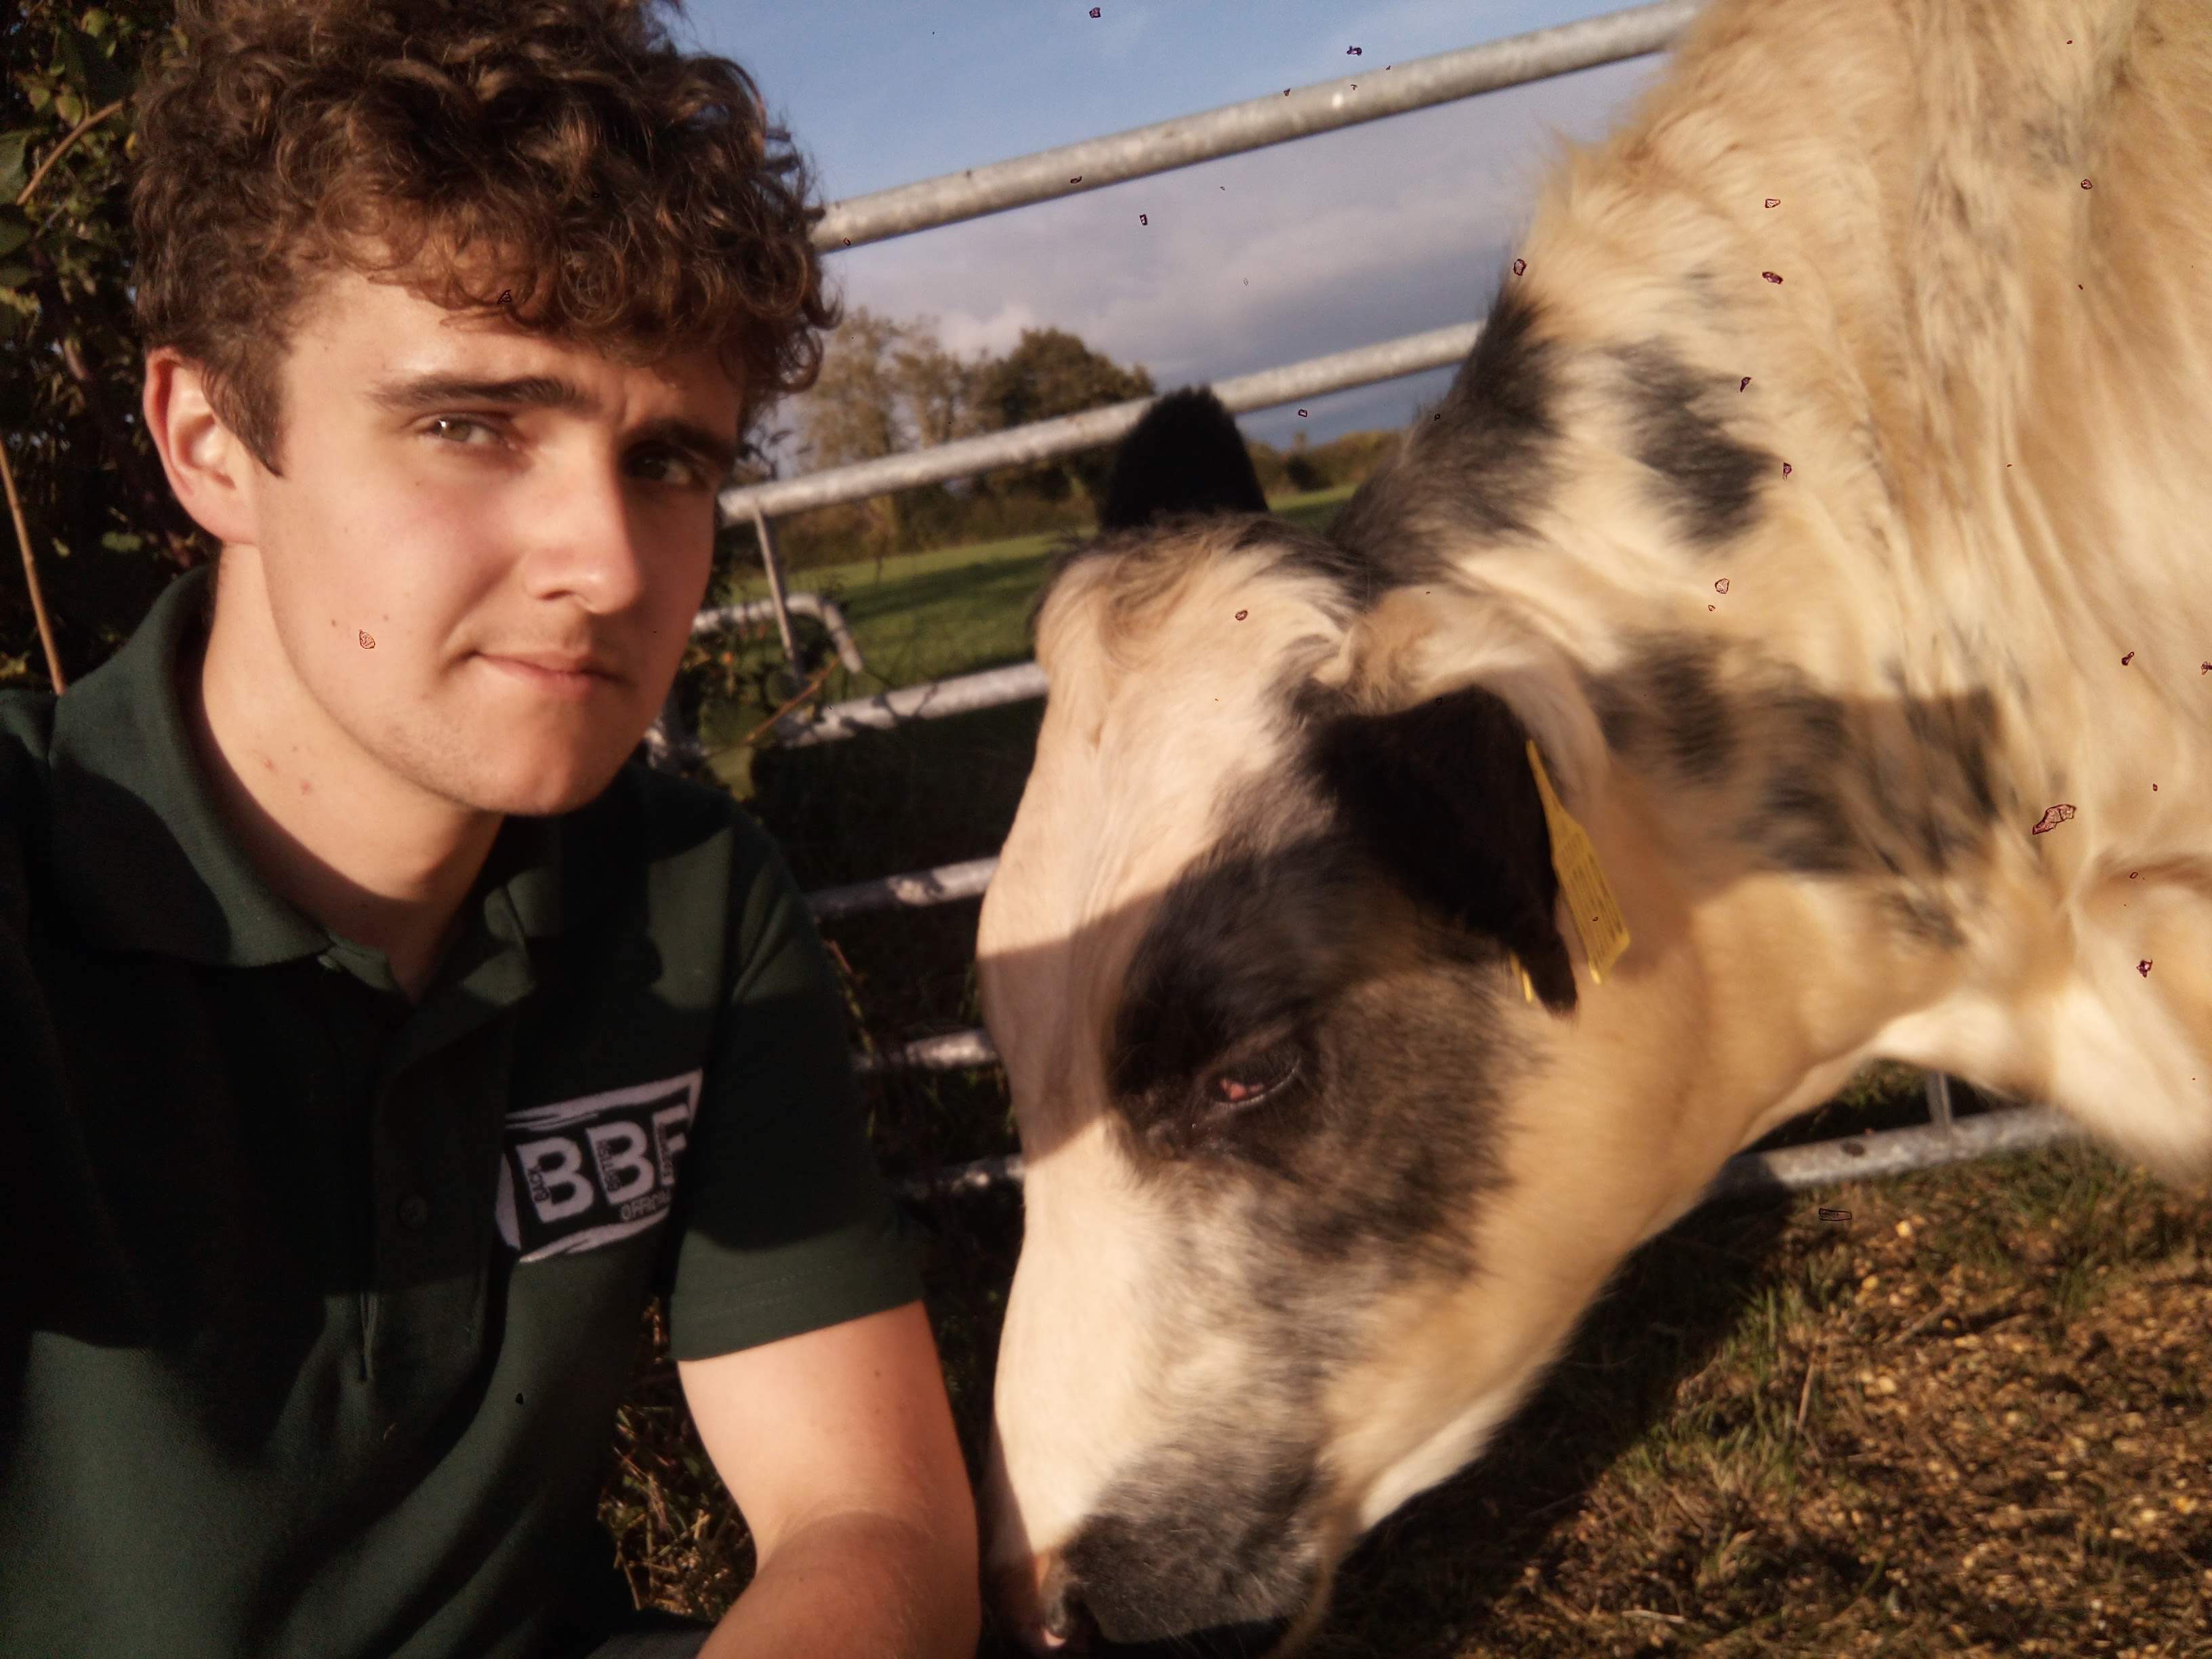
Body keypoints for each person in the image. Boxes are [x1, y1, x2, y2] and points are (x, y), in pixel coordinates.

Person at [0, 1, 981, 1655]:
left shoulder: (687, 899)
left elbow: (867, 1515)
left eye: (668, 458)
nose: (606, 561)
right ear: (212, 443)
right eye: (471, 425)